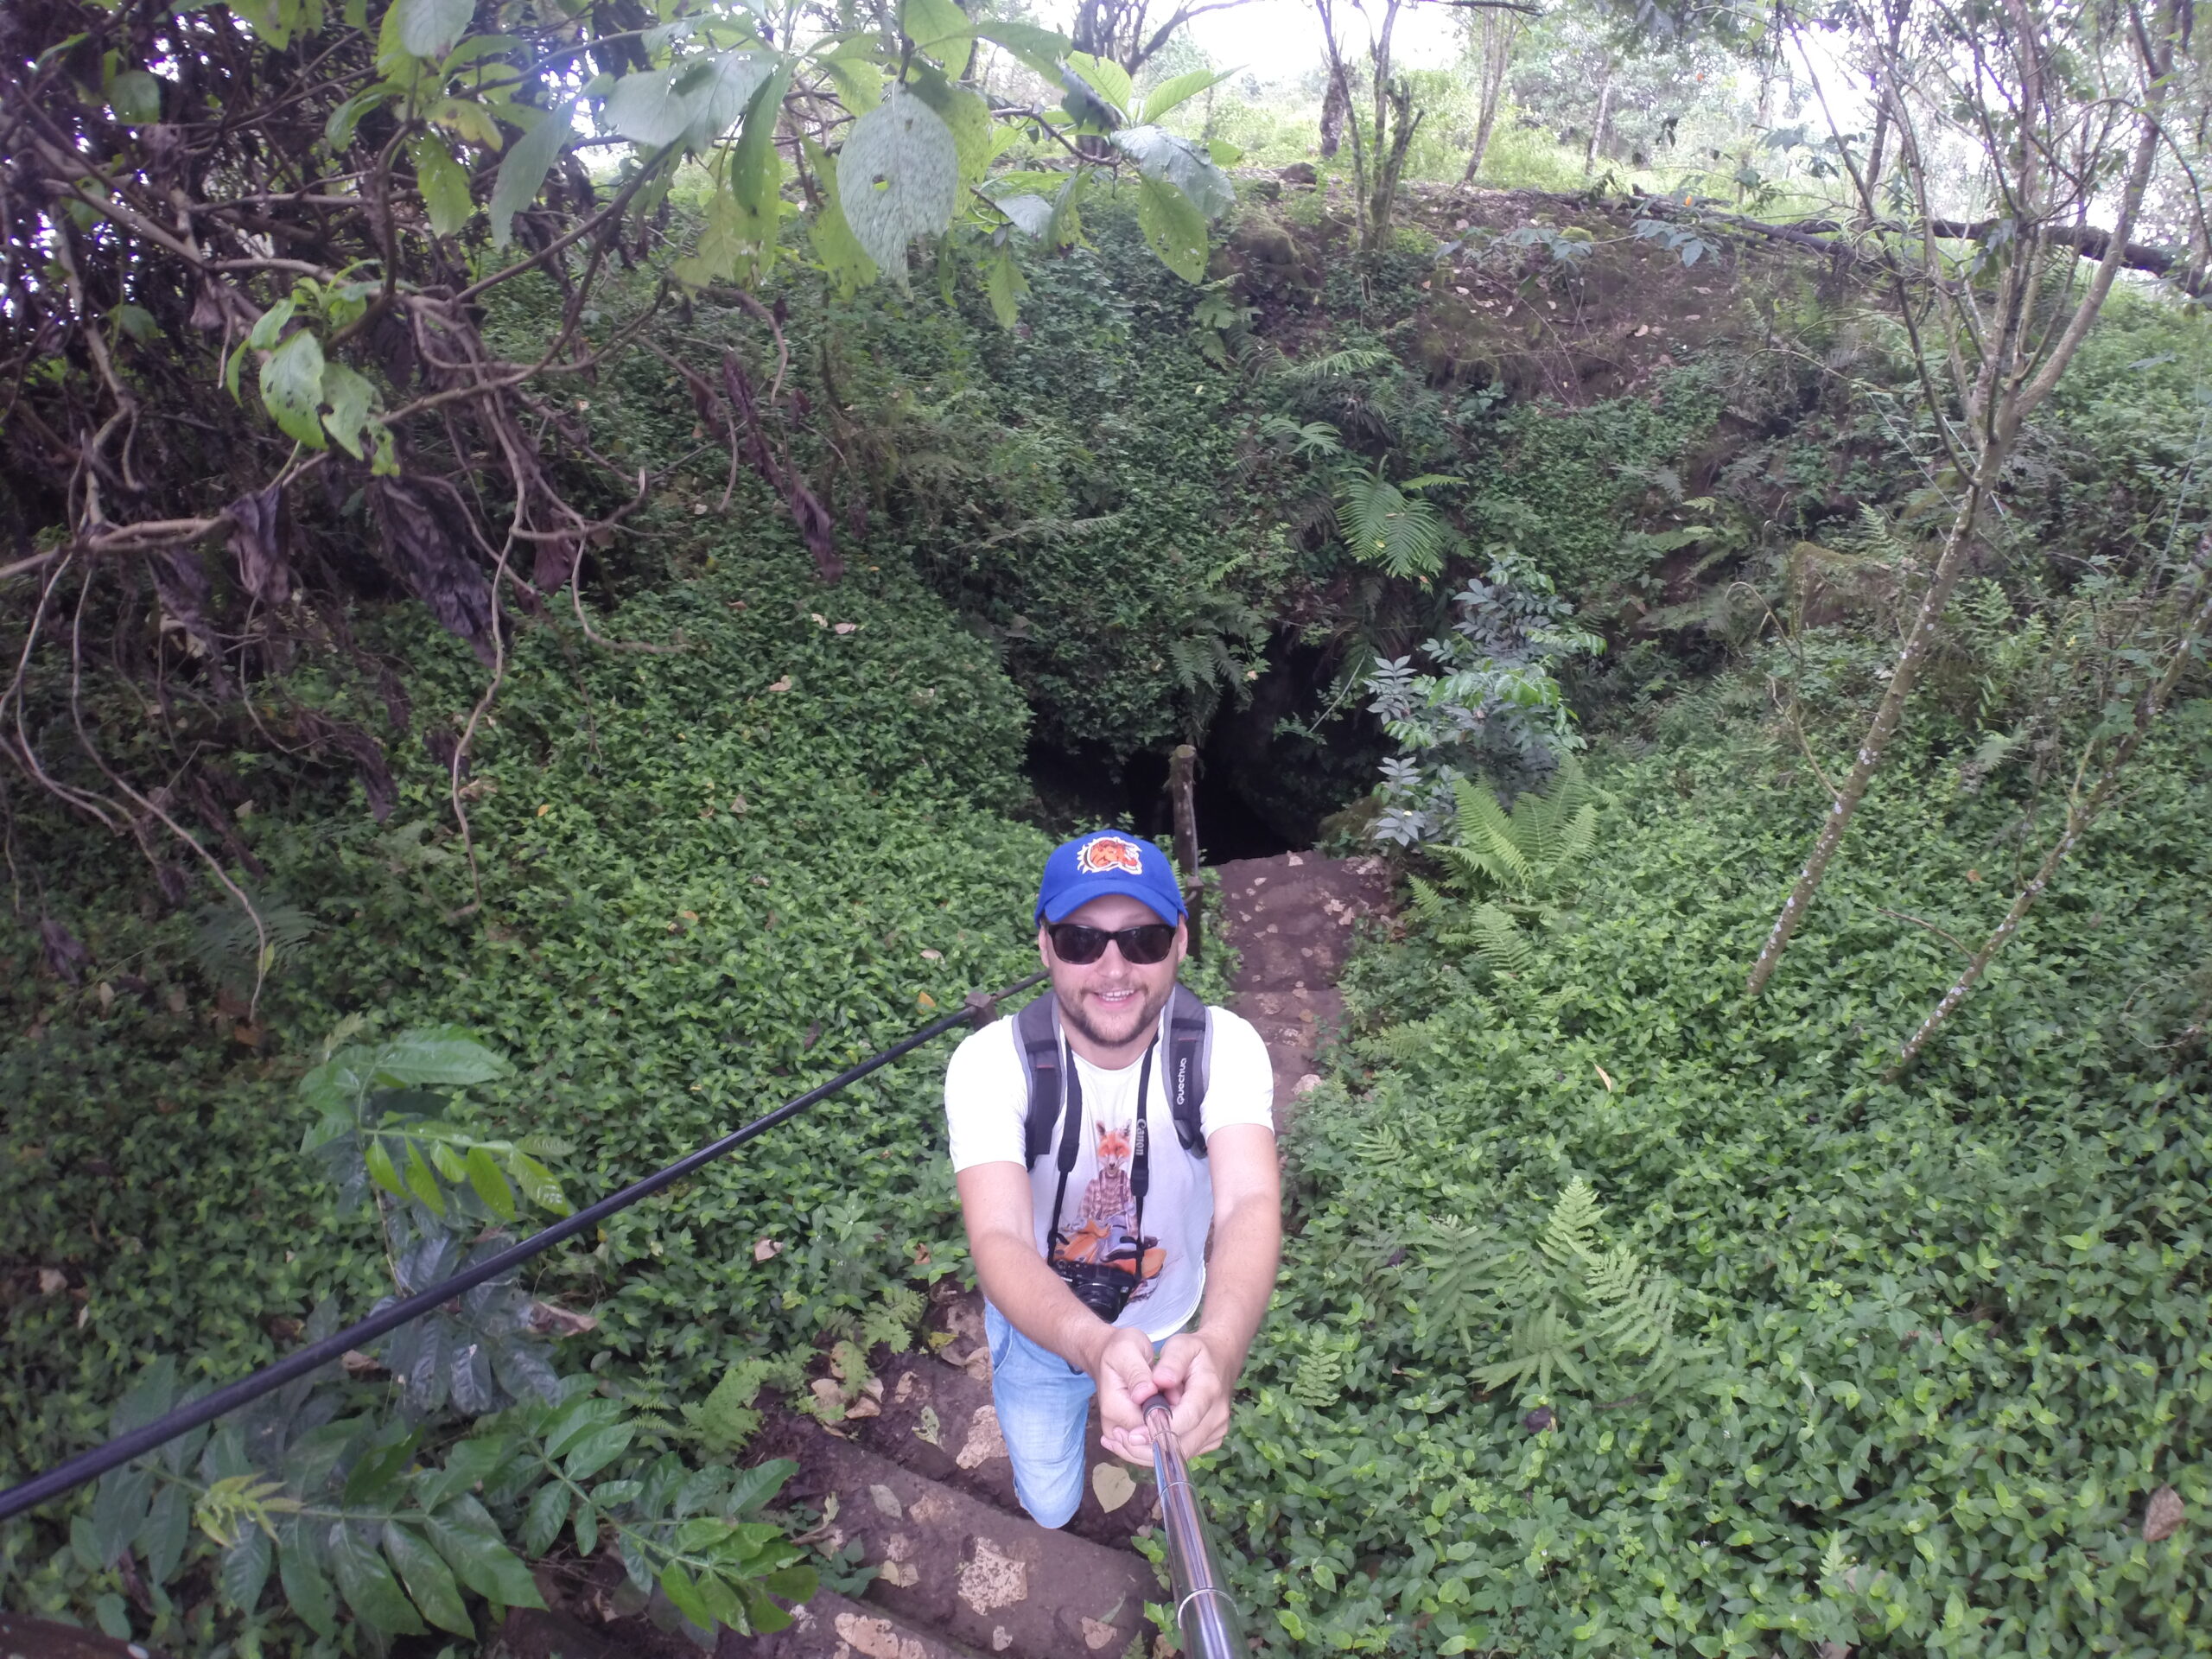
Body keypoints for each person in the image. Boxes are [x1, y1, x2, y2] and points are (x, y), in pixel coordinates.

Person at [943, 830, 1281, 1529]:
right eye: (1080, 941)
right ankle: (1057, 1511)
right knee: (1048, 1499)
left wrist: (1218, 1349)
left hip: (1169, 1324)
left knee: (1165, 1440)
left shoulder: (1226, 1049)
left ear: (1181, 942)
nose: (1112, 967)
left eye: (1143, 940)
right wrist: (1093, 1344)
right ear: (1045, 947)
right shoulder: (990, 1065)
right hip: (1039, 1327)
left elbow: (1250, 1200)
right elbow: (1000, 1236)